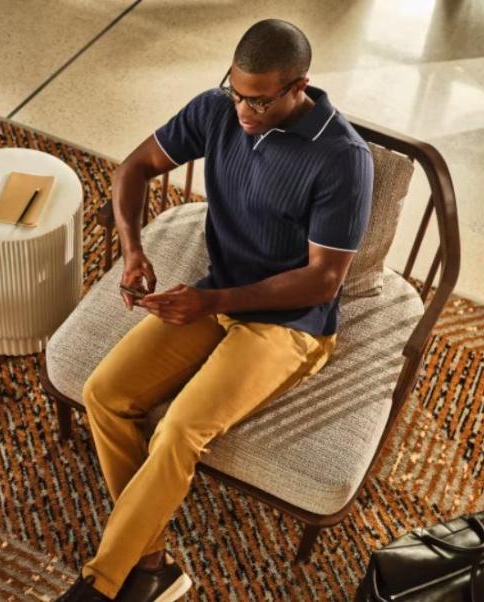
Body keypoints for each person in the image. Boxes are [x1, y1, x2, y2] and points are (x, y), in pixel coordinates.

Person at [57, 18, 373, 602]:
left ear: (299, 86)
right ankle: (151, 566)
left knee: (178, 430)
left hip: (291, 325)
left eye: (260, 100)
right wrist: (133, 253)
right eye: (236, 91)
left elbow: (323, 281)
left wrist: (211, 301)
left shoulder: (343, 160)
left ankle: (99, 585)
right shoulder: (216, 109)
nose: (243, 111)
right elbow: (132, 169)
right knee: (105, 393)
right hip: (218, 292)